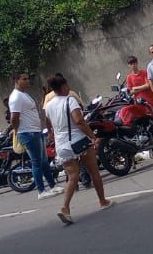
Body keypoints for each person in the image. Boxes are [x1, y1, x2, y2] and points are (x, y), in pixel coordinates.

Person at [45, 74, 113, 225]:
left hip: (61, 146)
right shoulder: (70, 100)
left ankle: (65, 208)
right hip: (79, 141)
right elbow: (79, 121)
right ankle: (102, 201)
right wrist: (93, 137)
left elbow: (49, 126)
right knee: (94, 171)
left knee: (73, 176)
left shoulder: (48, 106)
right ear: (63, 87)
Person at [9, 72, 61, 200]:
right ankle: (41, 191)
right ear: (16, 81)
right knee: (37, 162)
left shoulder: (23, 94)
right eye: (24, 79)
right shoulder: (16, 97)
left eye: (28, 79)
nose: (27, 81)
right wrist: (17, 130)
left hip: (35, 131)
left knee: (43, 161)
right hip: (28, 133)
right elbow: (14, 118)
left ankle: (52, 186)